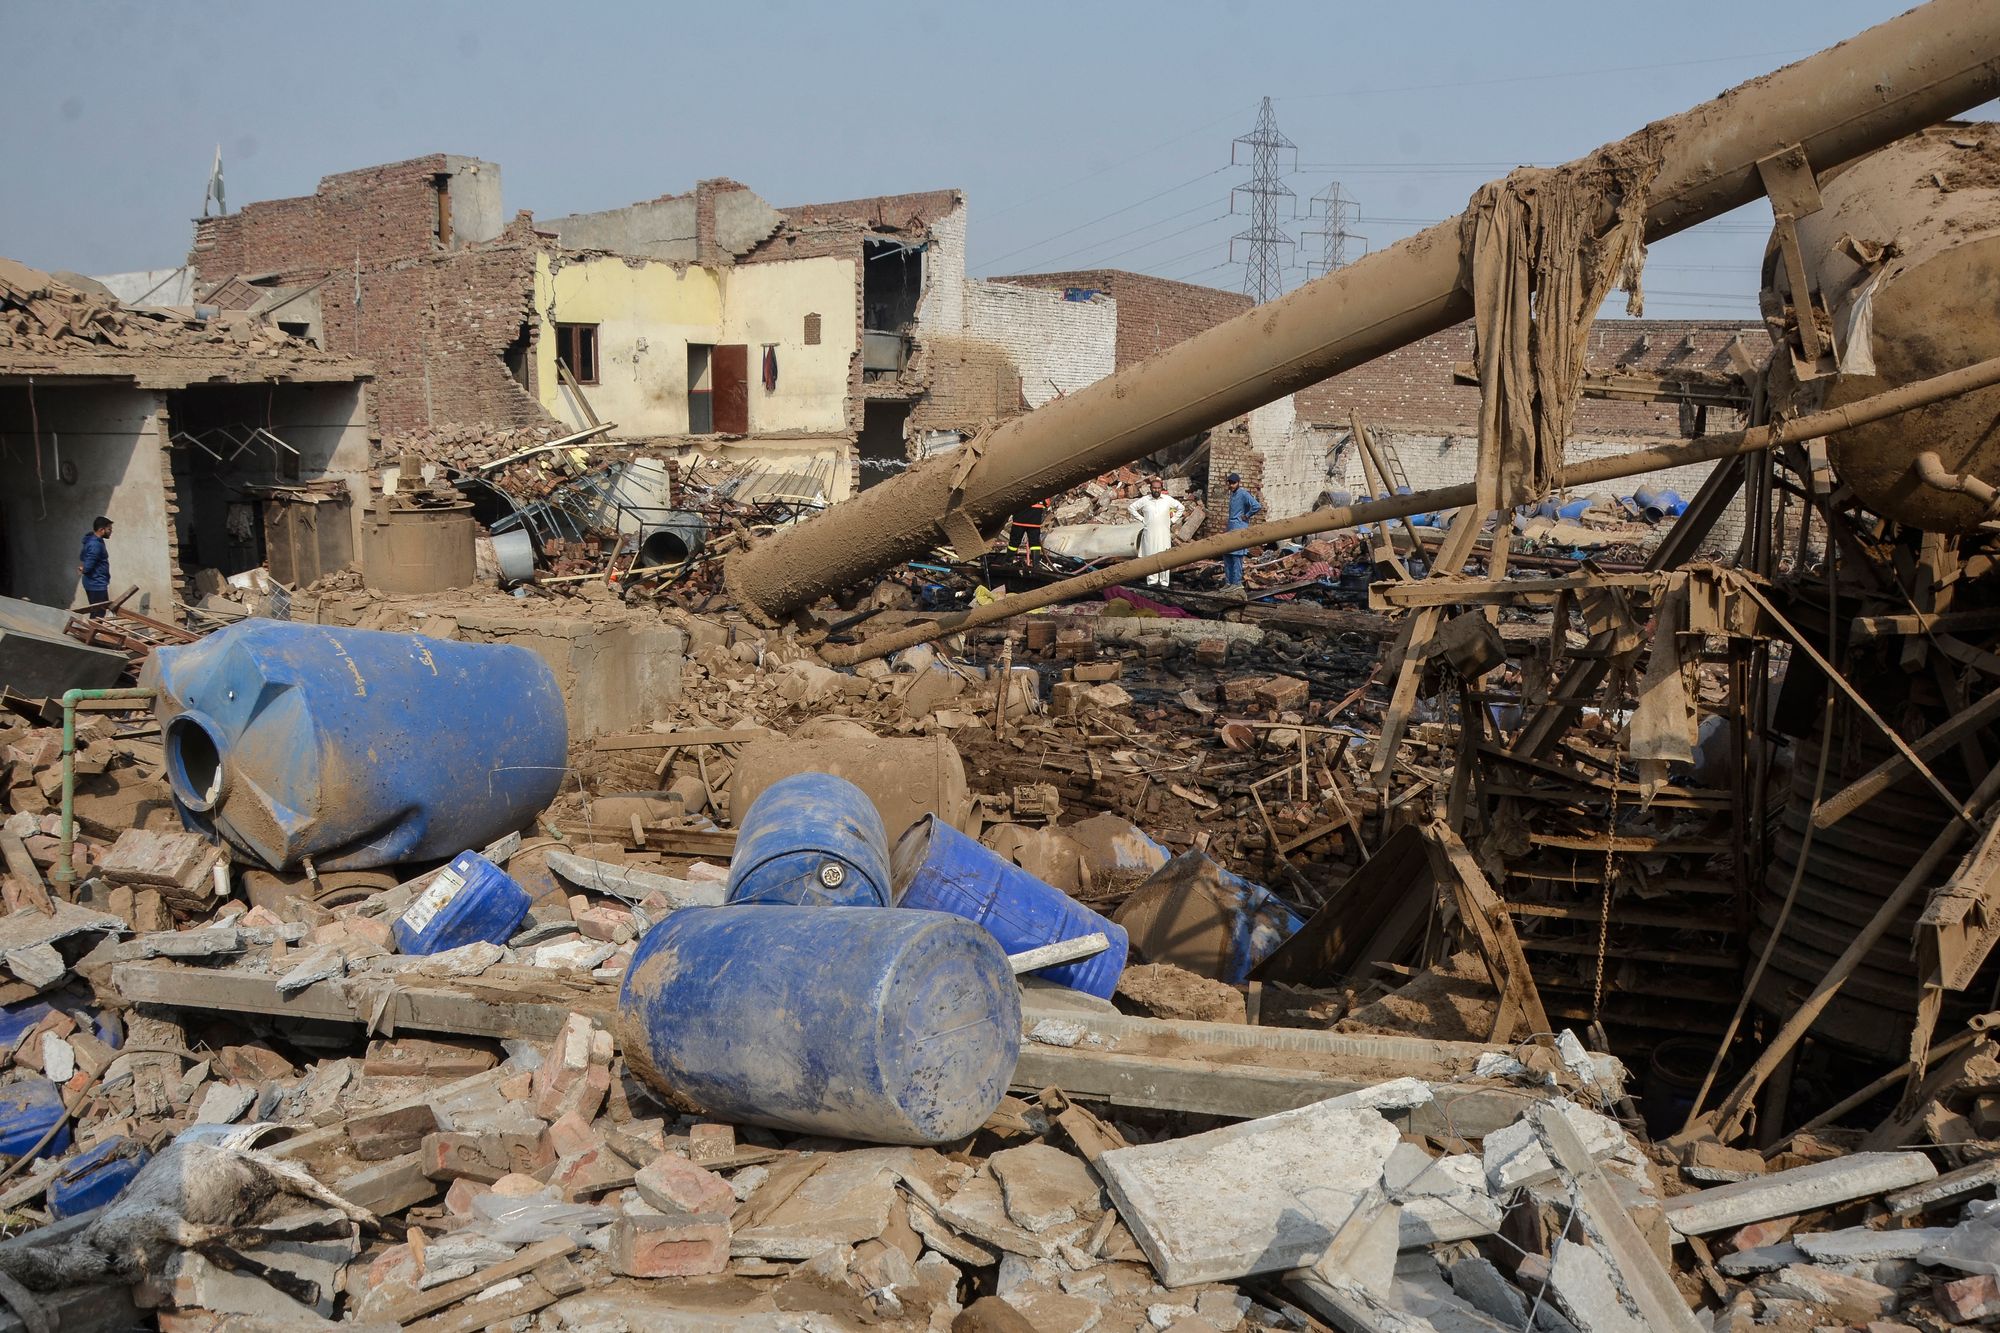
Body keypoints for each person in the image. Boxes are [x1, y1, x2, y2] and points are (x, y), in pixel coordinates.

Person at [1129, 477, 1185, 588]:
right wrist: (1141, 519)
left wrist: (1172, 521)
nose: (1156, 490)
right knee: (1151, 557)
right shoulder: (1145, 500)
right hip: (1149, 533)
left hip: (1163, 534)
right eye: (1154, 488)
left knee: (1165, 557)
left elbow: (1181, 508)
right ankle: (1152, 581)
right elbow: (1131, 508)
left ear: (1161, 489)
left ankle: (1164, 581)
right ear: (1150, 489)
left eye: (1158, 488)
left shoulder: (1167, 499)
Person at [1222, 473, 1262, 589]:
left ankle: (1237, 583)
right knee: (1227, 555)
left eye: (1233, 483)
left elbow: (1257, 506)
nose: (1231, 485)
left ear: (1238, 483)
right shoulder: (1232, 494)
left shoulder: (1243, 494)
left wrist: (1247, 515)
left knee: (1236, 557)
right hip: (1231, 529)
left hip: (1239, 529)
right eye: (1229, 483)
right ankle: (1229, 582)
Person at [77, 516, 112, 617]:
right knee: (99, 612)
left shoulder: (95, 541)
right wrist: (84, 568)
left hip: (97, 582)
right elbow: (89, 564)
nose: (111, 532)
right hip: (96, 583)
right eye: (109, 529)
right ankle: (92, 631)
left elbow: (83, 556)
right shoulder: (95, 544)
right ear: (101, 530)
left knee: (98, 611)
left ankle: (93, 631)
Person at [1007, 497, 1049, 568]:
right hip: (1034, 522)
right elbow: (1047, 503)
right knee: (1035, 544)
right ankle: (1036, 566)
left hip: (1019, 521)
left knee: (1013, 544)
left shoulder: (1020, 492)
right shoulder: (1042, 492)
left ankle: (1008, 563)